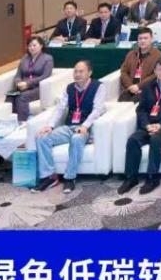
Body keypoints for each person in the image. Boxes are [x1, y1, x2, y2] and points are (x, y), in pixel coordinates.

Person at [31, 59, 106, 193]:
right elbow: (60, 108)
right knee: (42, 137)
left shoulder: (98, 87)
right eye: (75, 71)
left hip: (86, 128)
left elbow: (97, 110)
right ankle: (49, 177)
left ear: (89, 73)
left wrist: (85, 126)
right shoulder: (70, 88)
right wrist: (50, 126)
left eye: (81, 71)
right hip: (69, 126)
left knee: (76, 139)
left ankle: (70, 178)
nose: (77, 74)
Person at [119, 57, 161, 195]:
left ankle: (152, 178)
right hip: (149, 125)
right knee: (133, 140)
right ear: (155, 71)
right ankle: (131, 178)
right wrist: (146, 125)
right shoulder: (148, 86)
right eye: (160, 69)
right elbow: (141, 109)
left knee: (155, 139)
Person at [8, 36, 54, 121]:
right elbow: (18, 74)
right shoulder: (24, 58)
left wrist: (28, 83)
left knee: (22, 97)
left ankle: (22, 121)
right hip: (22, 86)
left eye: (34, 45)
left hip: (37, 87)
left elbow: (45, 76)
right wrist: (18, 83)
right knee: (10, 95)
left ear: (41, 46)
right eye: (29, 46)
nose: (32, 48)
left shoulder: (48, 58)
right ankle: (10, 121)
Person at [117, 28, 161, 102]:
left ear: (151, 39)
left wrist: (139, 86)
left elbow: (156, 75)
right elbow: (123, 71)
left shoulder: (158, 55)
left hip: (147, 90)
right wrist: (130, 86)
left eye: (145, 38)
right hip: (130, 89)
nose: (142, 41)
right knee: (122, 101)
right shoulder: (131, 54)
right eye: (140, 38)